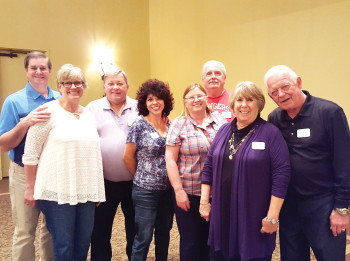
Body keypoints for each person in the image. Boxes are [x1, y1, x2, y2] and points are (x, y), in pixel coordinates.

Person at [265, 65, 350, 261]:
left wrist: (341, 208)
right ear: (271, 97)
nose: (281, 94)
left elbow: (345, 163)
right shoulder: (275, 118)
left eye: (285, 87)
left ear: (299, 82)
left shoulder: (330, 112)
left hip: (324, 205)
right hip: (290, 207)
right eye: (274, 92)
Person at [22, 64, 105, 261]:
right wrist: (29, 187)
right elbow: (30, 153)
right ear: (59, 86)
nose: (73, 86)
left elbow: (94, 156)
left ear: (84, 86)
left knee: (83, 242)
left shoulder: (89, 116)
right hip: (56, 191)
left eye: (78, 82)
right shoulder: (46, 112)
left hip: (86, 191)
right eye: (67, 82)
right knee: (63, 245)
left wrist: (98, 189)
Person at [200, 81, 291, 261]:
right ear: (233, 104)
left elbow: (282, 175)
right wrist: (204, 202)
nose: (244, 105)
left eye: (250, 99)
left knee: (251, 254)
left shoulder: (270, 133)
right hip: (222, 210)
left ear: (259, 104)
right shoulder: (224, 130)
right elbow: (209, 165)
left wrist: (273, 217)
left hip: (253, 215)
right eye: (239, 99)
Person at [0, 51, 59, 261]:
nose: (38, 72)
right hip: (24, 174)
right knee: (25, 231)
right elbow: (4, 144)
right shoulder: (13, 102)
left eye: (43, 68)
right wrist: (25, 122)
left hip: (53, 173)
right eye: (33, 68)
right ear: (26, 71)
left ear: (50, 71)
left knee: (51, 229)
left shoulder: (60, 99)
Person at [165, 83, 226, 261]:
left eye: (200, 95)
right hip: (189, 193)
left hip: (218, 193)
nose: (196, 100)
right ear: (185, 102)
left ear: (206, 98)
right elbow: (170, 159)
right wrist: (178, 191)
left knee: (215, 240)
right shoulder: (179, 124)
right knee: (191, 242)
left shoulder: (220, 120)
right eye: (191, 97)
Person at [87, 67, 138, 261]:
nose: (115, 87)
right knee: (99, 231)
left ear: (127, 86)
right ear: (104, 86)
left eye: (120, 83)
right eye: (111, 83)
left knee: (136, 229)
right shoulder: (92, 108)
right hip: (104, 182)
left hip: (135, 181)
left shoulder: (139, 106)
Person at [123, 79, 175, 261]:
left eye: (159, 98)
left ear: (165, 102)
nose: (155, 103)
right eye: (150, 99)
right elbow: (128, 156)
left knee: (164, 234)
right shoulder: (138, 125)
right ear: (144, 103)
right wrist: (141, 175)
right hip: (145, 191)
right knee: (143, 236)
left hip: (168, 190)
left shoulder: (171, 125)